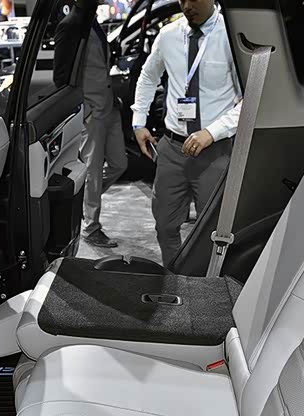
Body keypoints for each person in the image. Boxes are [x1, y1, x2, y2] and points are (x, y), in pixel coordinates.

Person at [132, 0, 241, 265]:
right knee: (165, 225)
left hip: (215, 151)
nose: (187, 6)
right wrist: (139, 121)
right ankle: (174, 276)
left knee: (213, 231)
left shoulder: (231, 36)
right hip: (172, 148)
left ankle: (206, 282)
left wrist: (212, 132)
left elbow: (250, 98)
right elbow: (148, 77)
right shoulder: (168, 35)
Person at [54, 0, 127, 248]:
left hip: (109, 107)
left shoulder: (93, 23)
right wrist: (82, 109)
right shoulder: (70, 25)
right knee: (92, 173)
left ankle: (84, 201)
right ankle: (91, 227)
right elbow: (61, 77)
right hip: (91, 112)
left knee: (119, 164)